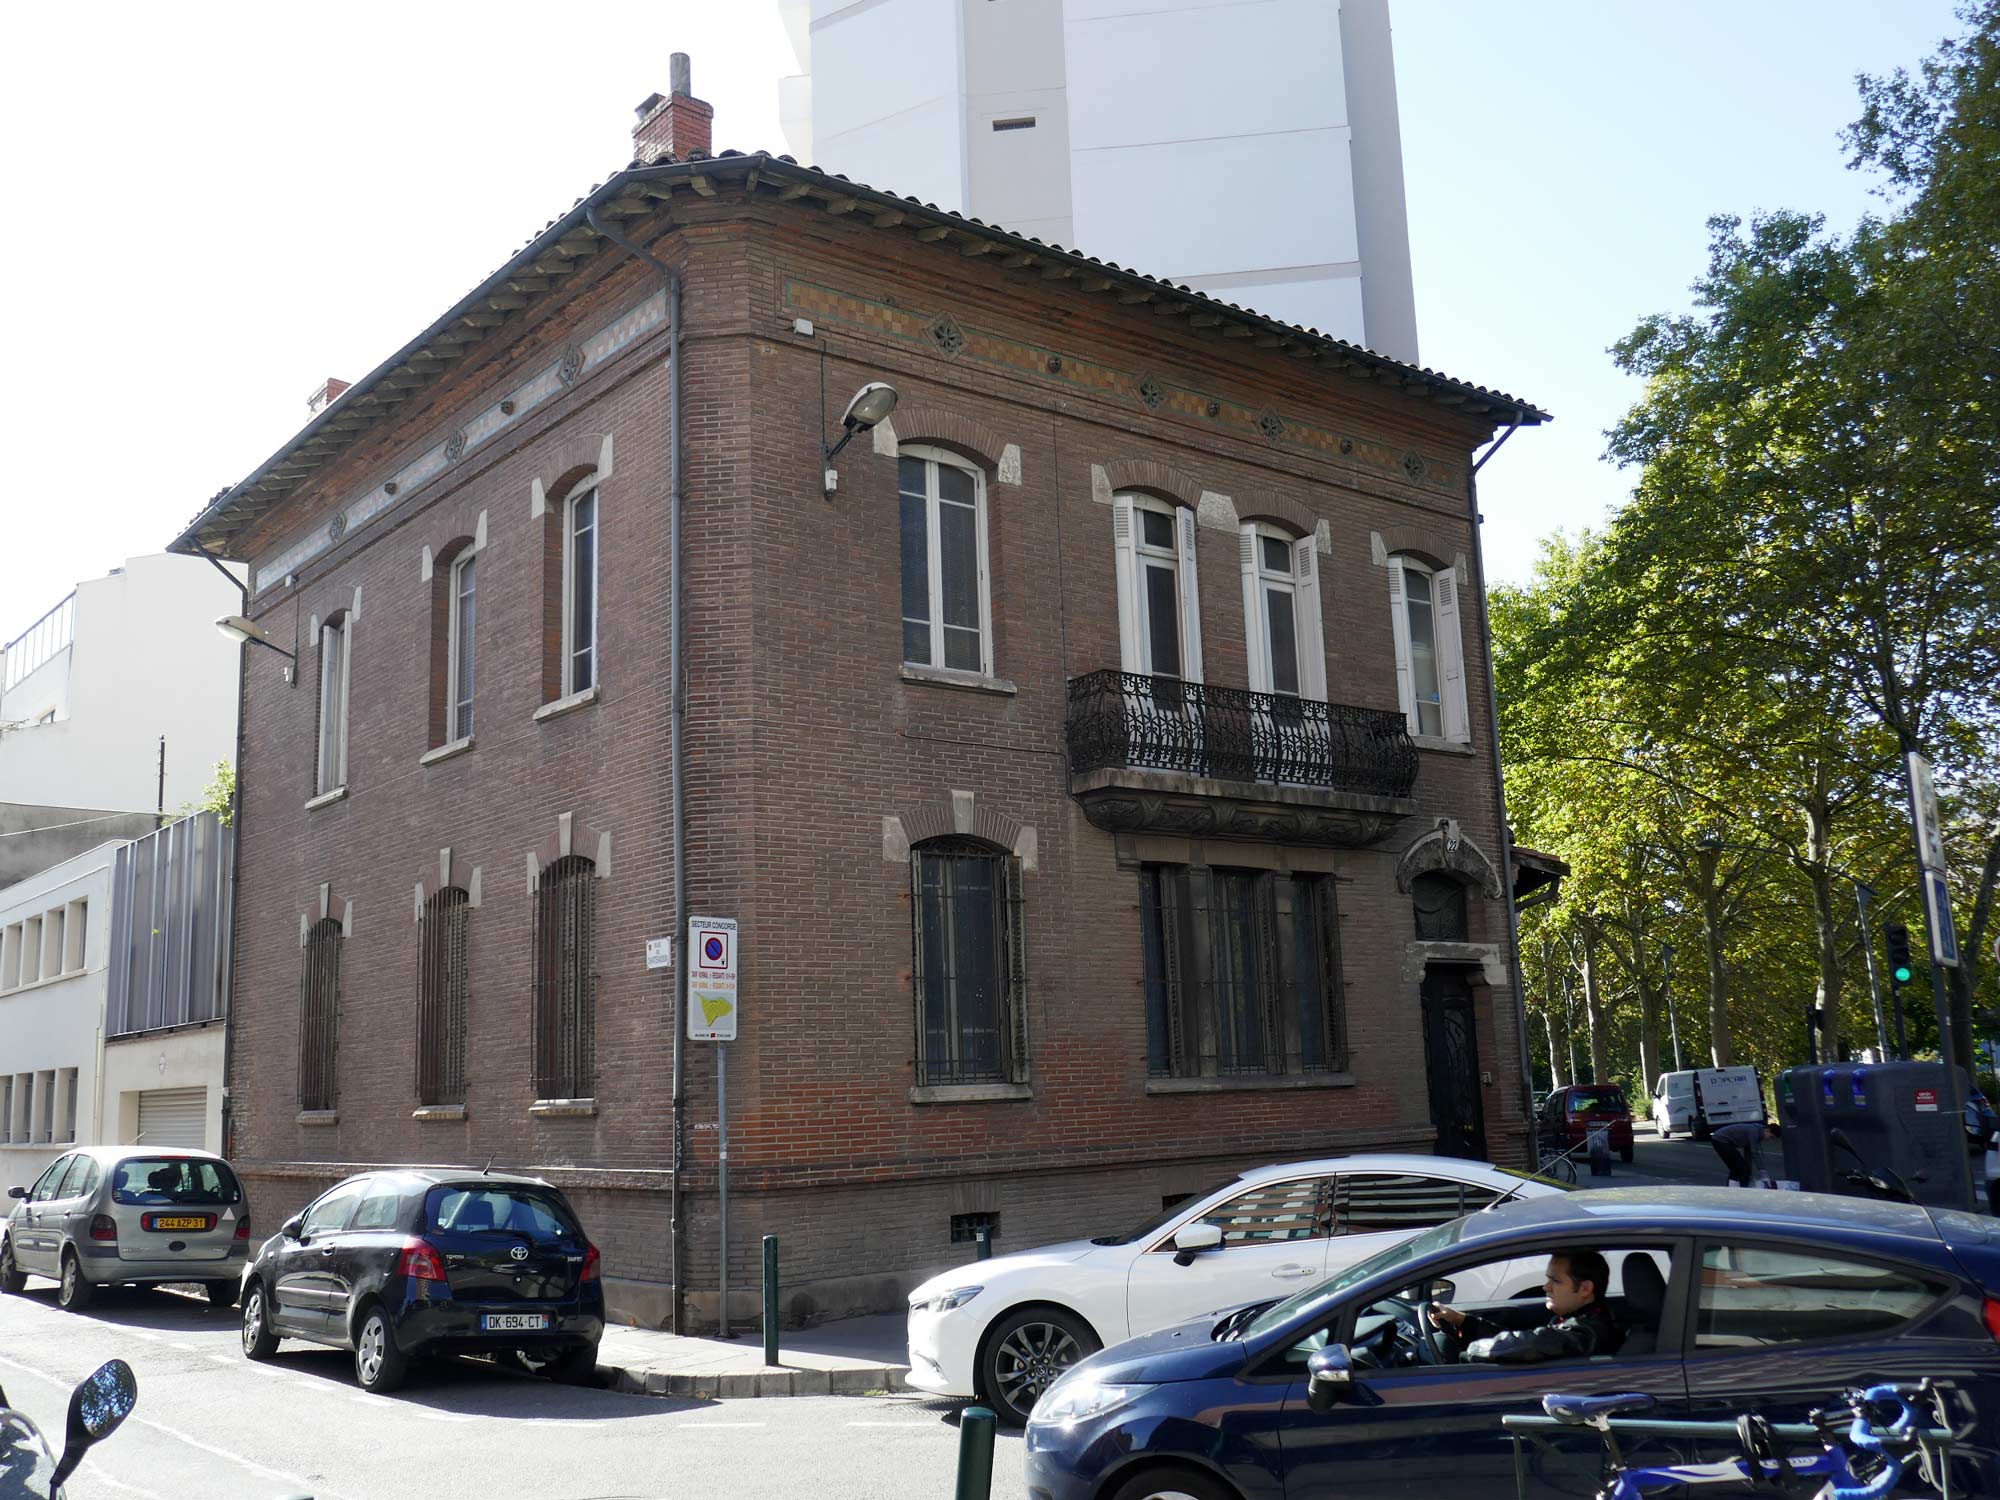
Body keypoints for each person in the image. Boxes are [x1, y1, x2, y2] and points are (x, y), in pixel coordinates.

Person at [1427, 1249, 1622, 1363]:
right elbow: (1519, 1341)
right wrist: (1461, 1321)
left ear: (1586, 1288)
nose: (1546, 1287)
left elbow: (1531, 1343)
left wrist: (1469, 1352)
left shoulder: (1588, 1332)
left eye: (1556, 1281)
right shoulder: (1579, 1318)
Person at [1711, 1119, 1780, 1187]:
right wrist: (1763, 1173)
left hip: (1721, 1140)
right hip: (1721, 1140)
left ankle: (1732, 1189)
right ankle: (1744, 1191)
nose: (1769, 1140)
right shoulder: (1754, 1131)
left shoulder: (1757, 1132)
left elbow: (1748, 1153)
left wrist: (1750, 1173)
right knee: (1742, 1169)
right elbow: (1755, 1153)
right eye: (1771, 1137)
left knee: (1739, 1169)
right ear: (1767, 1130)